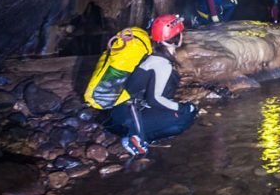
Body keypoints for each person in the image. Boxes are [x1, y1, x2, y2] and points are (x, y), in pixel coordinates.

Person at [84, 15, 198, 156]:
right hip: (127, 119)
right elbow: (154, 99)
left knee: (177, 111)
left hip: (119, 112)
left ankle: (136, 132)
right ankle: (135, 138)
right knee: (184, 118)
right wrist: (183, 108)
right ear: (176, 38)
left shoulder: (150, 55)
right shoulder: (162, 64)